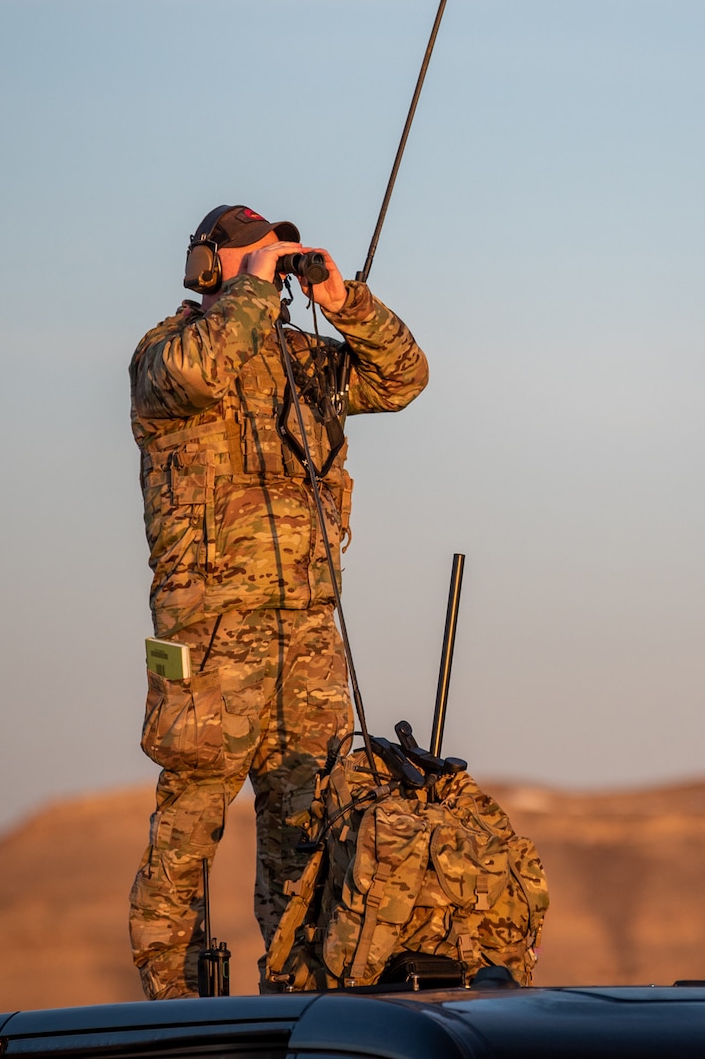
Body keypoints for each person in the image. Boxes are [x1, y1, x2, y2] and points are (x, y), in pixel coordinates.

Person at [126, 203, 429, 998]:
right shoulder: (164, 355)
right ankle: (169, 1003)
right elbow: (196, 372)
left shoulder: (302, 361)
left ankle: (300, 1002)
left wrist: (340, 298)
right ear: (208, 267)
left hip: (308, 636)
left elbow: (404, 378)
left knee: (310, 827)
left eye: (276, 260)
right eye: (254, 257)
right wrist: (253, 292)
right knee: (190, 819)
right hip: (211, 636)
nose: (272, 272)